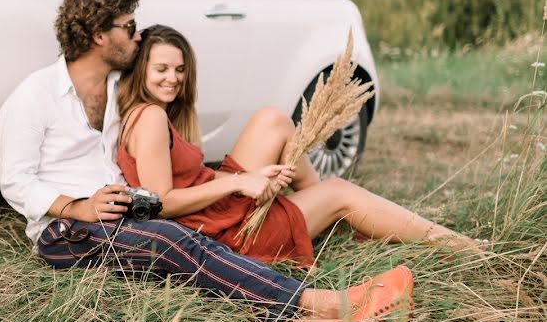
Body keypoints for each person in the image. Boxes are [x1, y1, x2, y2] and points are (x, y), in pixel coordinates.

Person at [0, 0, 413, 322]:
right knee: (174, 241)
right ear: (98, 36)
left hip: (122, 216)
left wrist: (233, 178)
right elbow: (15, 181)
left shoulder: (116, 91)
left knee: (186, 258)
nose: (137, 35)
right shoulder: (35, 95)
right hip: (67, 231)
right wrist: (76, 207)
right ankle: (321, 303)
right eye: (128, 27)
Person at [116, 24, 479, 266]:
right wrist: (239, 182)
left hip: (211, 210)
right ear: (141, 70)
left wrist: (251, 178)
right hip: (219, 235)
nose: (173, 78)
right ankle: (457, 246)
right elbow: (161, 202)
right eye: (161, 69)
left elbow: (187, 179)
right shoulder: (149, 118)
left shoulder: (150, 114)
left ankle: (324, 219)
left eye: (179, 70)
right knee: (340, 191)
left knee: (272, 119)